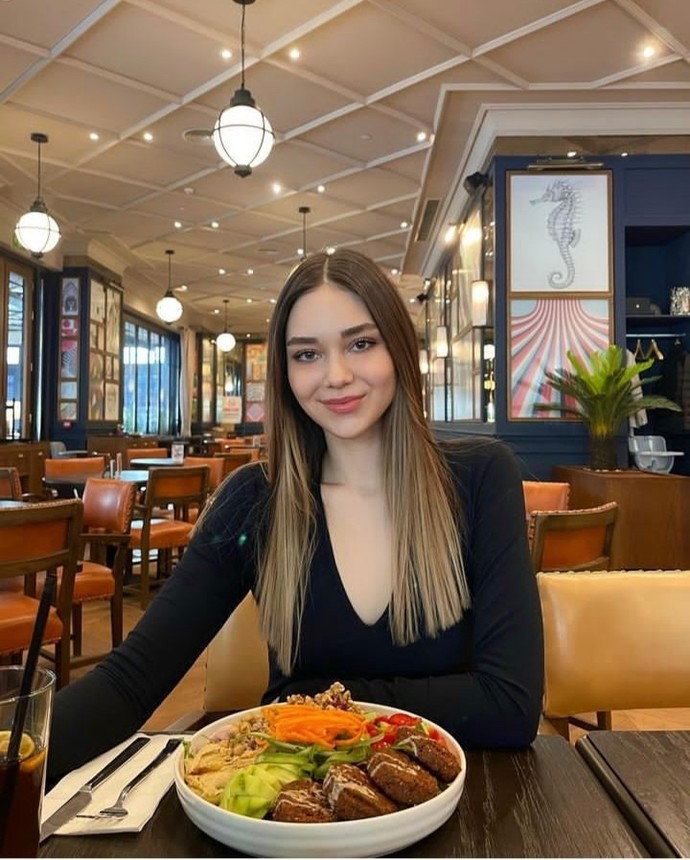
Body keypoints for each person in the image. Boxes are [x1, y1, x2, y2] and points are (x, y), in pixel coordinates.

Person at [48, 249, 543, 781]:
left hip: (460, 801)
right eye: (307, 354)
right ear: (284, 373)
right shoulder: (255, 501)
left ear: (398, 347)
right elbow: (130, 683)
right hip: (299, 803)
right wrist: (19, 752)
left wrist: (309, 701)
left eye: (361, 343)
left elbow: (510, 708)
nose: (336, 375)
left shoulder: (479, 478)